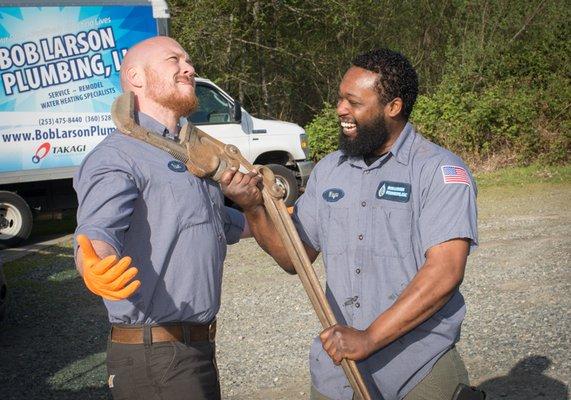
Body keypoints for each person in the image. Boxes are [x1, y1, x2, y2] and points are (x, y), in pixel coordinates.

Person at [221, 48, 478, 400]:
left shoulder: (438, 171)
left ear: (393, 107)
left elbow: (445, 272)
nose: (341, 109)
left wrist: (369, 337)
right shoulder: (329, 170)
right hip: (339, 372)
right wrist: (253, 208)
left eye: (354, 102)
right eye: (341, 98)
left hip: (417, 367)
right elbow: (293, 259)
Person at [74, 36, 258, 400]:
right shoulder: (119, 155)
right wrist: (94, 264)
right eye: (174, 60)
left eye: (188, 60)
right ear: (136, 77)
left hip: (193, 351)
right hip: (154, 356)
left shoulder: (187, 154)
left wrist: (287, 218)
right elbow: (97, 231)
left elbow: (218, 223)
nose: (189, 68)